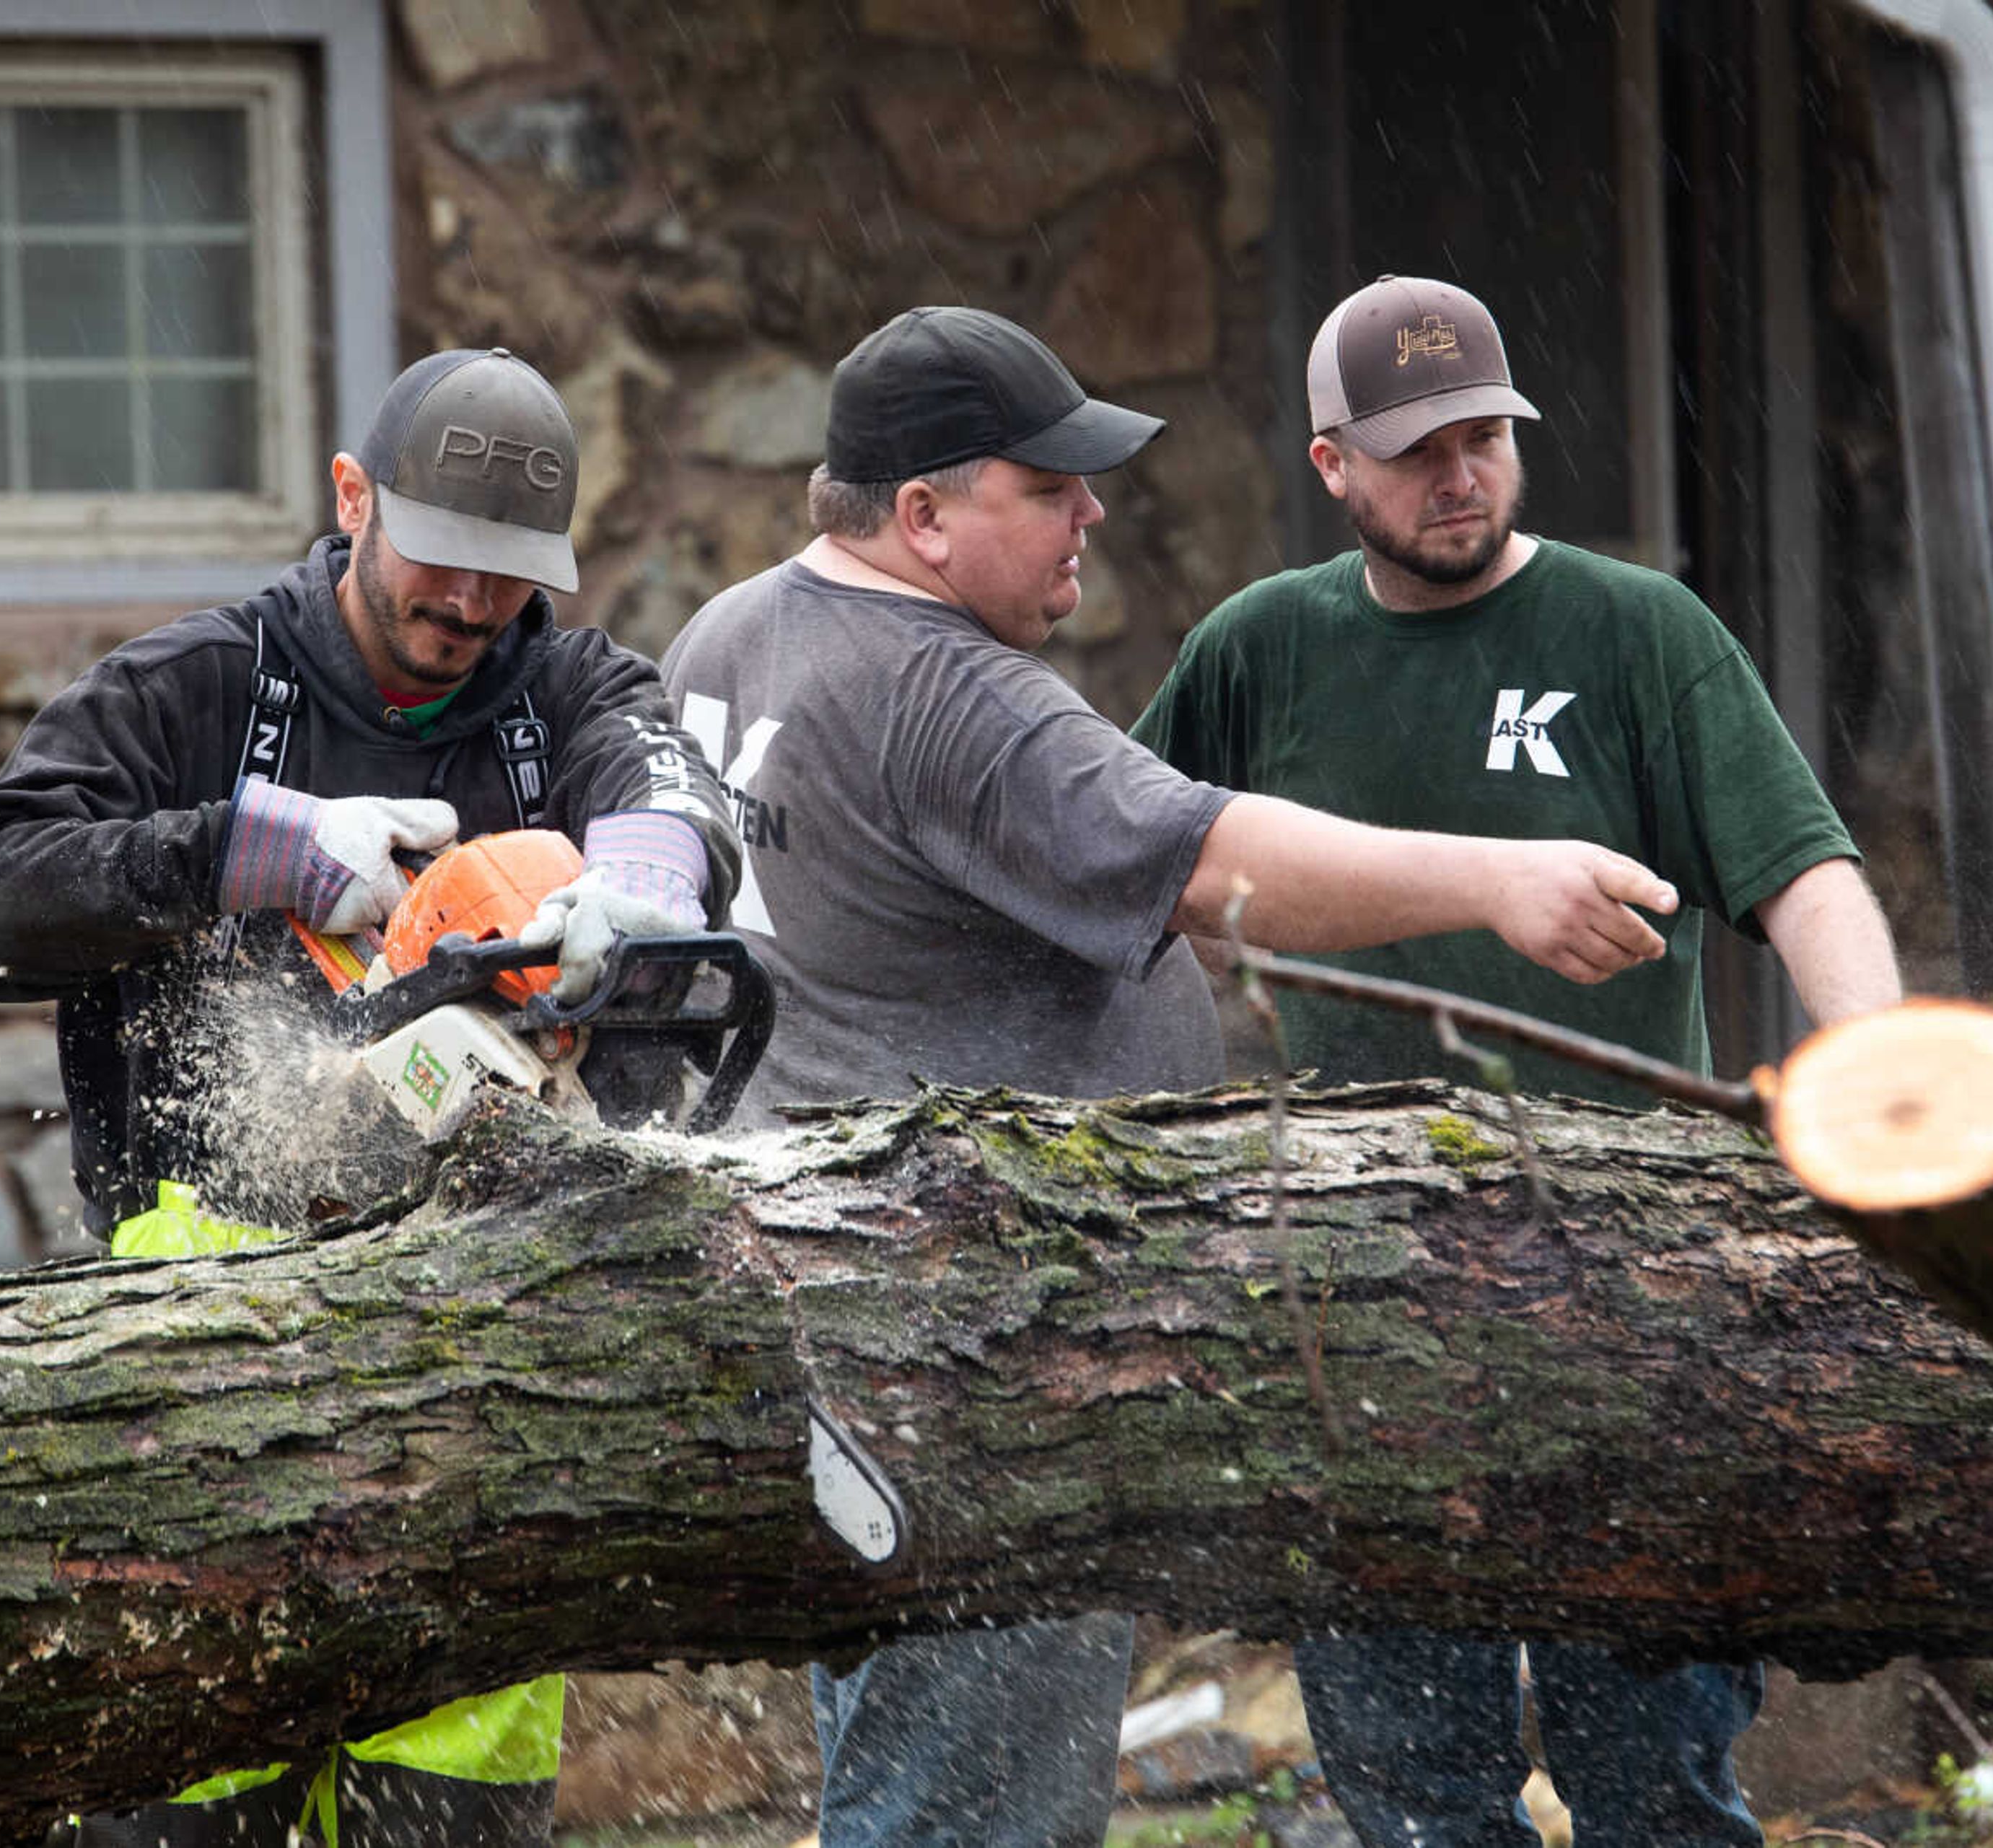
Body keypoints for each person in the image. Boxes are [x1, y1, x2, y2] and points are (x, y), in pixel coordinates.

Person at [660, 303, 1687, 1848]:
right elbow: (1219, 864)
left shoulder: (737, 630)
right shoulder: (955, 697)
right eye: (1048, 485)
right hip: (973, 1356)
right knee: (977, 1816)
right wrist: (1498, 881)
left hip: (837, 1313)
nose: (1094, 511)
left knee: (913, 1776)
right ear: (925, 516)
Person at [0, 347, 741, 1848]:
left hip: (492, 1353)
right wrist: (242, 854)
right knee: (182, 1802)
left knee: (454, 1809)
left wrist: (645, 877)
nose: (473, 607)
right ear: (354, 497)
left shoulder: (565, 690)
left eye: (507, 576)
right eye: (443, 561)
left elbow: (669, 781)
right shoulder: (196, 688)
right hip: (201, 1358)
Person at [1132, 273, 1905, 1848]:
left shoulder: (1639, 631)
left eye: (1484, 435)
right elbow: (1122, 876)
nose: (1460, 474)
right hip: (1355, 1301)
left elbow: (1803, 874)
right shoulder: (1257, 650)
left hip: (1637, 1285)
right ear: (1333, 463)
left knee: (1657, 1786)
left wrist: (1887, 1084)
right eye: (1417, 449)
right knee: (1417, 1800)